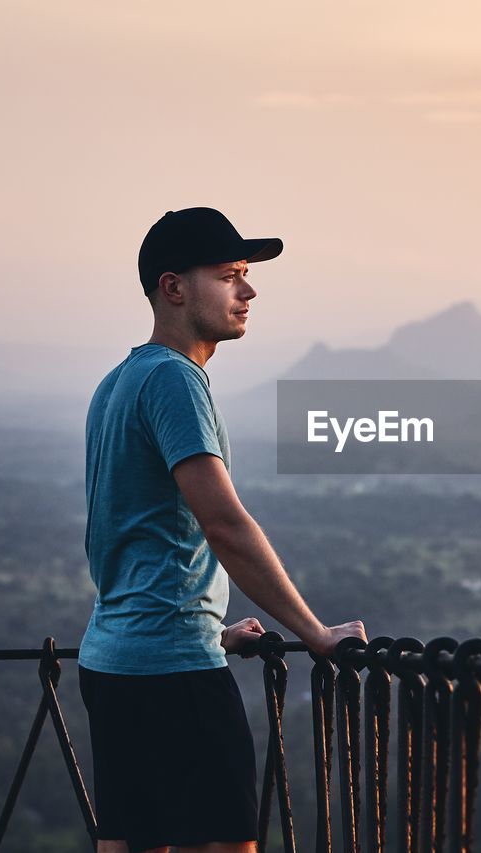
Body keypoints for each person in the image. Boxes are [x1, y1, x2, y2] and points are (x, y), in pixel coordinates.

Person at [78, 207, 366, 853]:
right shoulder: (176, 379)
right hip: (172, 671)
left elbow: (132, 532)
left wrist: (208, 624)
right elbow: (224, 524)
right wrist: (314, 632)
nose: (249, 290)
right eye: (230, 275)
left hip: (113, 661)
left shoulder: (119, 380)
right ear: (174, 287)